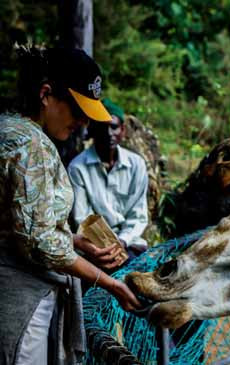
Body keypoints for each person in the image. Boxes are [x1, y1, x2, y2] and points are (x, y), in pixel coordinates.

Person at [0, 46, 141, 365]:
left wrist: (75, 241)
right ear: (46, 94)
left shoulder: (9, 129)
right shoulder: (29, 144)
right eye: (78, 110)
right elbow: (40, 243)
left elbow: (19, 225)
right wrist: (110, 283)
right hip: (19, 300)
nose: (82, 123)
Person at [68, 98, 149, 267]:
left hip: (129, 243)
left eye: (114, 127)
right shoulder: (77, 168)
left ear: (123, 130)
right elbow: (83, 218)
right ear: (92, 130)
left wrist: (122, 242)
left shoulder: (136, 165)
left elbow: (138, 215)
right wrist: (107, 247)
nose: (108, 133)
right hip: (93, 247)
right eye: (101, 127)